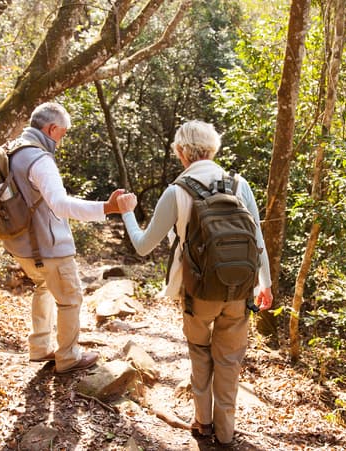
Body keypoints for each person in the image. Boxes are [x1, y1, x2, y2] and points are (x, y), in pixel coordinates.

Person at [115, 120, 273, 446]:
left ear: (182, 152)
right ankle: (226, 433)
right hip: (240, 291)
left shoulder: (177, 191)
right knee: (229, 361)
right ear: (212, 149)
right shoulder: (239, 184)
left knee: (201, 354)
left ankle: (203, 423)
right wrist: (265, 284)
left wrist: (127, 212)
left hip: (198, 293)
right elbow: (257, 239)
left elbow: (143, 246)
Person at [1, 101, 123, 373]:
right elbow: (61, 204)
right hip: (49, 247)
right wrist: (107, 207)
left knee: (43, 287)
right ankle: (68, 357)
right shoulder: (39, 159)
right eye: (63, 133)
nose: (62, 139)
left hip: (20, 246)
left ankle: (40, 348)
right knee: (70, 298)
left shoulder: (11, 151)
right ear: (52, 128)